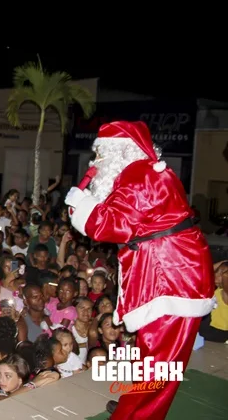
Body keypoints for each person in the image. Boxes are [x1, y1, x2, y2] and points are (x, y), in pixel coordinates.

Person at [65, 121, 214, 420]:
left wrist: (81, 206)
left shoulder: (138, 175)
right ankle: (134, 407)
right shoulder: (144, 172)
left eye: (101, 154)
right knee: (154, 356)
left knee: (161, 364)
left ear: (120, 151)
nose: (96, 162)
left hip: (173, 276)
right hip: (170, 270)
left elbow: (114, 225)